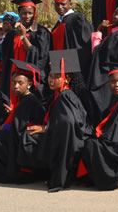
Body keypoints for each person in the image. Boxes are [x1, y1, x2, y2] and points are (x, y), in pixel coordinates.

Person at [20, 48, 91, 191]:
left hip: (73, 138)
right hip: (64, 133)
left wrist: (46, 128)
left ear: (67, 79)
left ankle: (33, 174)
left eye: (56, 76)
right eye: (50, 76)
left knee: (28, 137)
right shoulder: (59, 94)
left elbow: (67, 123)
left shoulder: (66, 96)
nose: (51, 80)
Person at [0, 60, 47, 183]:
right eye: (13, 82)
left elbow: (15, 127)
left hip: (25, 138)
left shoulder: (28, 101)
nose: (16, 86)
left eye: (20, 83)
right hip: (21, 134)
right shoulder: (24, 98)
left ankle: (9, 173)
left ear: (29, 84)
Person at [86, 2, 118, 123]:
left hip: (107, 79)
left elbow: (97, 52)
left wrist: (99, 31)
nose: (115, 16)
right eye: (115, 13)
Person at [0, 0, 51, 94]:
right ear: (19, 14)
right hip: (13, 80)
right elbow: (6, 59)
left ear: (35, 13)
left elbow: (40, 58)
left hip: (32, 82)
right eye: (24, 13)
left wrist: (23, 36)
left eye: (30, 13)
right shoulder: (11, 34)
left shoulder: (41, 33)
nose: (27, 16)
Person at [48, 0, 94, 81]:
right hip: (60, 65)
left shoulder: (78, 19)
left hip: (76, 66)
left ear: (70, 4)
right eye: (57, 4)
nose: (60, 7)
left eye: (63, 4)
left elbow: (86, 43)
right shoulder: (58, 23)